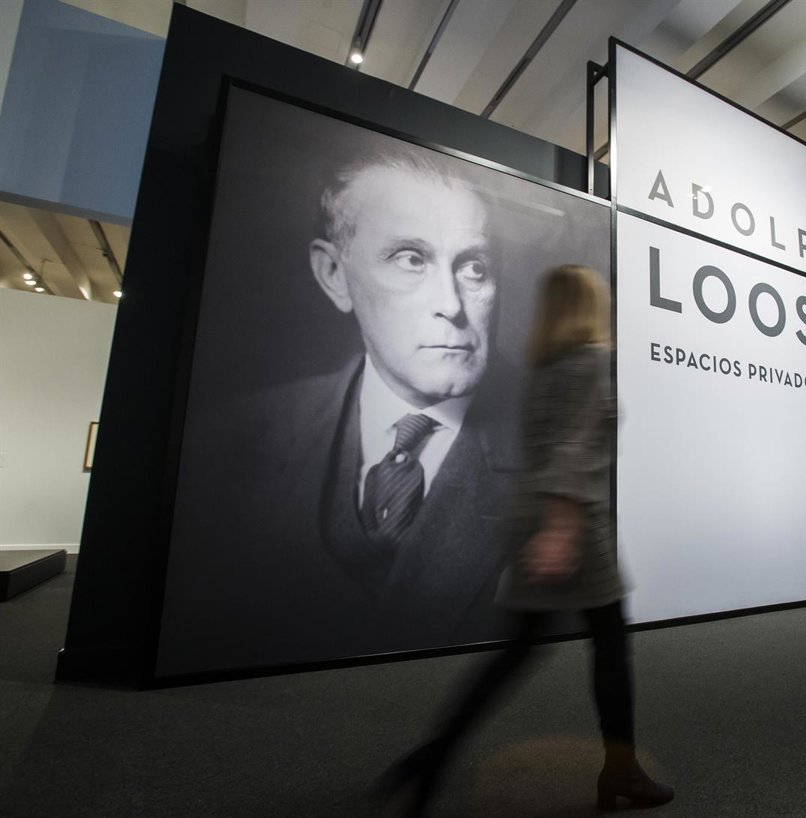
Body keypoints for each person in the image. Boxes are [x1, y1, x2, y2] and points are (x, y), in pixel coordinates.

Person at [156, 146, 523, 673]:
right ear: (334, 274)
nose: (450, 304)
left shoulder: (573, 449)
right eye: (411, 259)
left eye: (473, 267)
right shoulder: (230, 439)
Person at [375, 265, 674, 816]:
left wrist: (546, 526)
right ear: (590, 306)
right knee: (609, 648)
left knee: (519, 651)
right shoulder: (591, 363)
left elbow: (546, 448)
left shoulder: (547, 366)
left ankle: (431, 759)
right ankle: (621, 771)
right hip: (574, 525)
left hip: (532, 517)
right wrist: (561, 530)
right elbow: (573, 451)